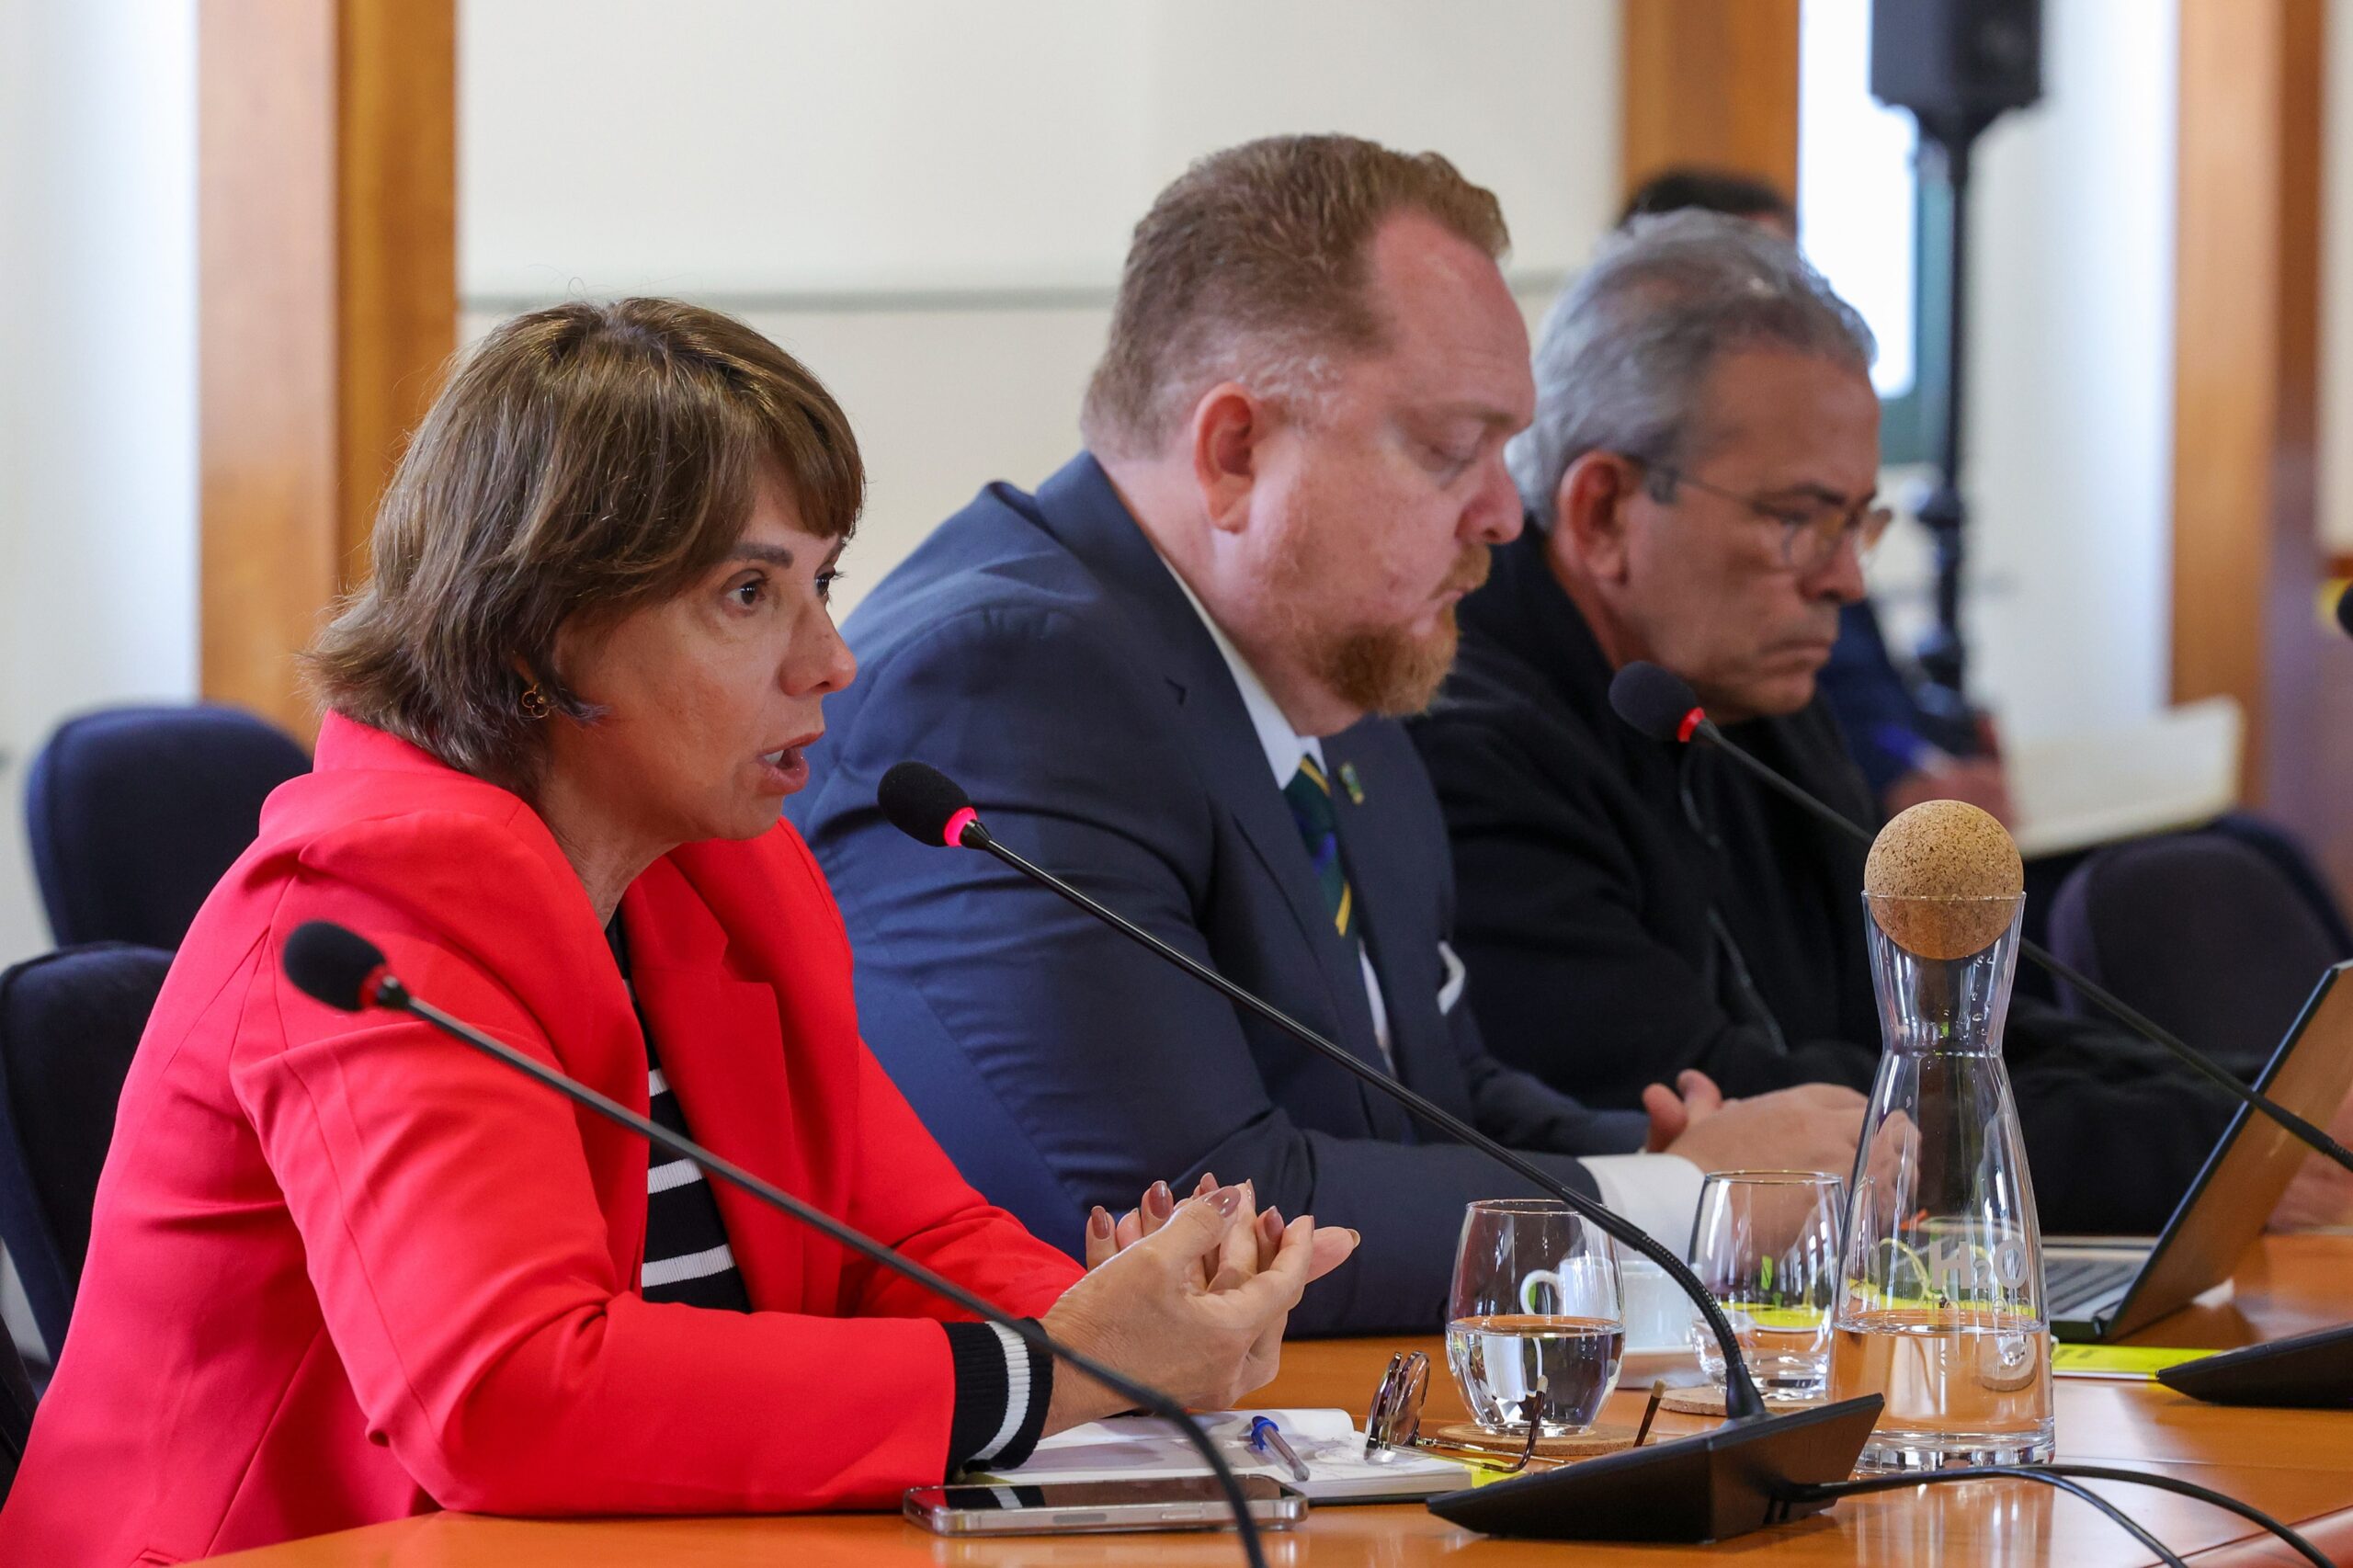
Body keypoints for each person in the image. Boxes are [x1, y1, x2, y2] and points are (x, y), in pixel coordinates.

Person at [0, 300, 1355, 1563]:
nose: (831, 660)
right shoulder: (366, 913)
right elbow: (506, 1392)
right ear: (537, 635)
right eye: (748, 594)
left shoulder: (716, 882)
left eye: (824, 583)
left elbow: (905, 1236)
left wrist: (1139, 1311)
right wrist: (1051, 1370)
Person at [790, 135, 1862, 1338]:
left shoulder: (1332, 674)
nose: (1505, 512)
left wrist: (1689, 1155)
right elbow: (1201, 1227)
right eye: (1454, 450)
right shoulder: (1003, 686)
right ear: (1237, 450)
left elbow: (1432, 1101)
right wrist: (1679, 1201)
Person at [1409, 212, 2353, 1234]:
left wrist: (2262, 1111)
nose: (1846, 577)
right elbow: (1751, 1115)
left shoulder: (1757, 701)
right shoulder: (1465, 746)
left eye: (1859, 518)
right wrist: (2206, 1155)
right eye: (1797, 520)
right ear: (1600, 511)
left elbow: (1948, 1040)